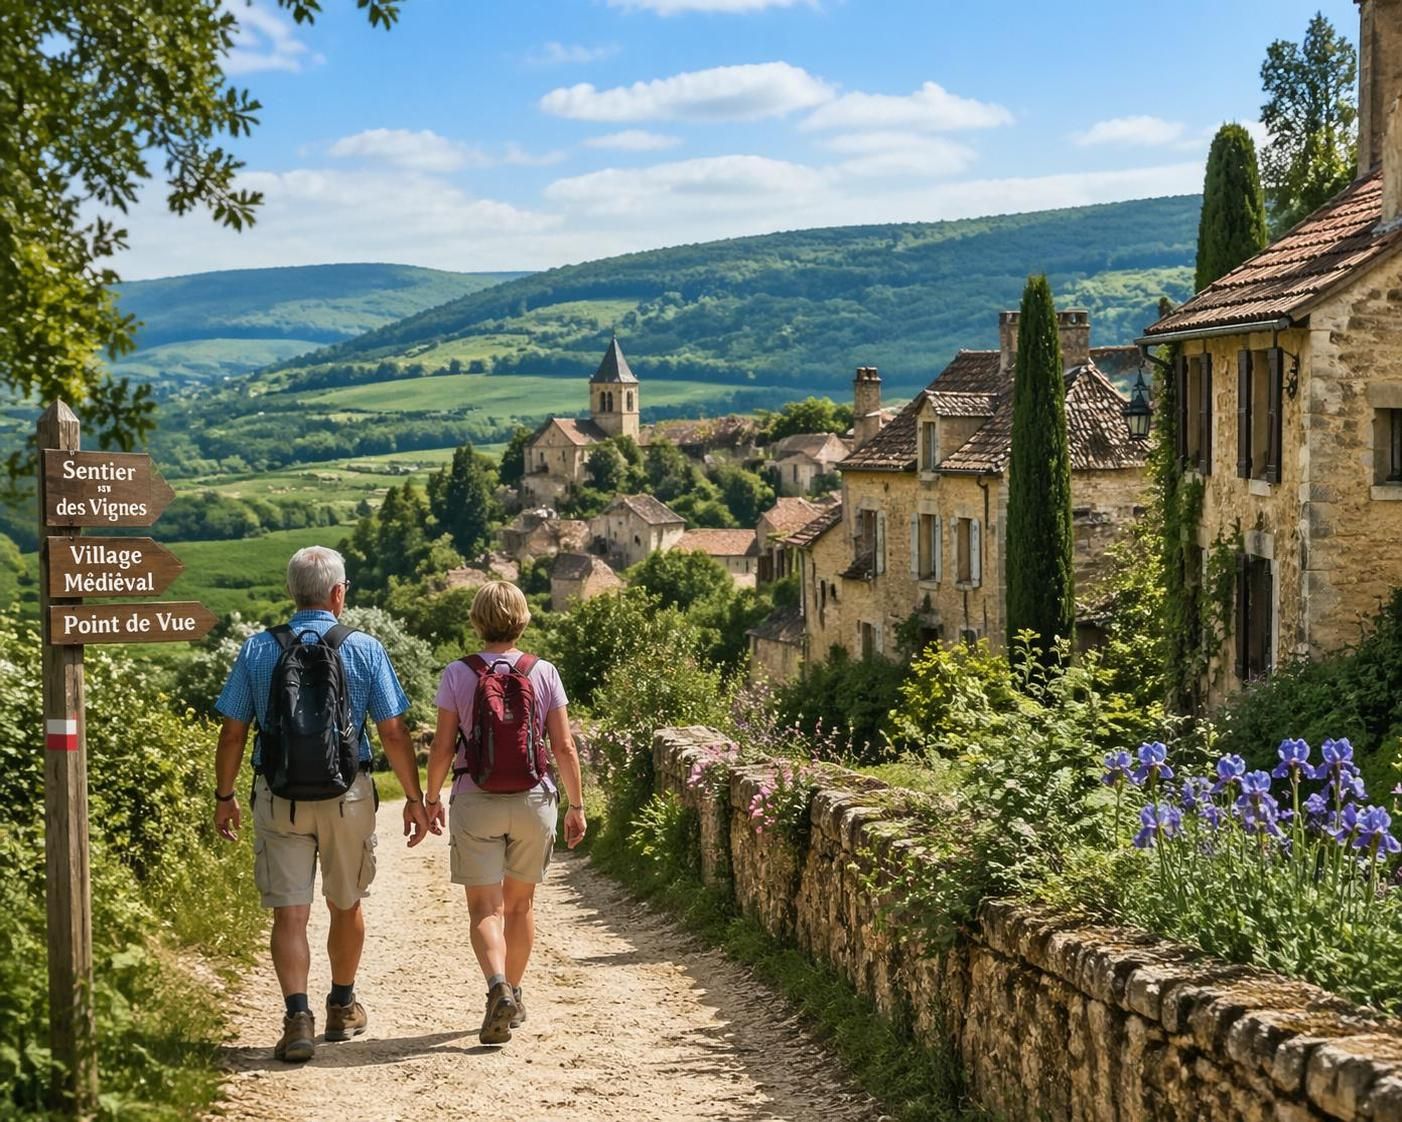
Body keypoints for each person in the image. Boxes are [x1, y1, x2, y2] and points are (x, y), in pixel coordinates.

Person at [213, 546, 431, 1063]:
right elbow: (394, 731)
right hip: (347, 794)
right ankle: (341, 1004)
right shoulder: (365, 648)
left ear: (293, 592)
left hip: (278, 794)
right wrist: (415, 797)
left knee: (289, 915)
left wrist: (225, 796)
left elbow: (233, 732)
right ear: (338, 593)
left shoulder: (257, 650)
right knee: (346, 902)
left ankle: (297, 1018)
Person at [425, 580, 586, 1045]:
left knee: (483, 908)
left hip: (476, 797)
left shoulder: (458, 673)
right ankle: (514, 991)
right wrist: (576, 806)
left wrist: (431, 797)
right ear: (523, 619)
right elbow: (564, 746)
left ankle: (496, 987)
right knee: (520, 905)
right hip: (534, 798)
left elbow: (442, 744)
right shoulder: (543, 672)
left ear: (477, 621)